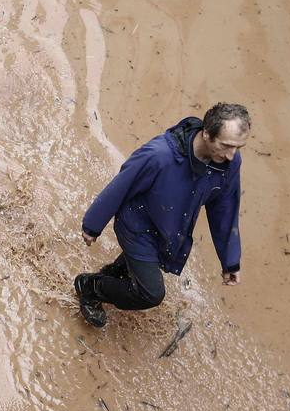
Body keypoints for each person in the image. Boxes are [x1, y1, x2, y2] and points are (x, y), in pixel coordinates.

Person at [74, 103, 249, 327]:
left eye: (238, 147)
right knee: (151, 293)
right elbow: (122, 185)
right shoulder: (159, 156)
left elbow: (225, 209)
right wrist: (92, 225)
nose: (231, 155)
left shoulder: (228, 163)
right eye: (226, 145)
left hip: (171, 228)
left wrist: (230, 261)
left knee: (139, 269)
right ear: (206, 133)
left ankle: (113, 273)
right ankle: (90, 287)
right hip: (136, 226)